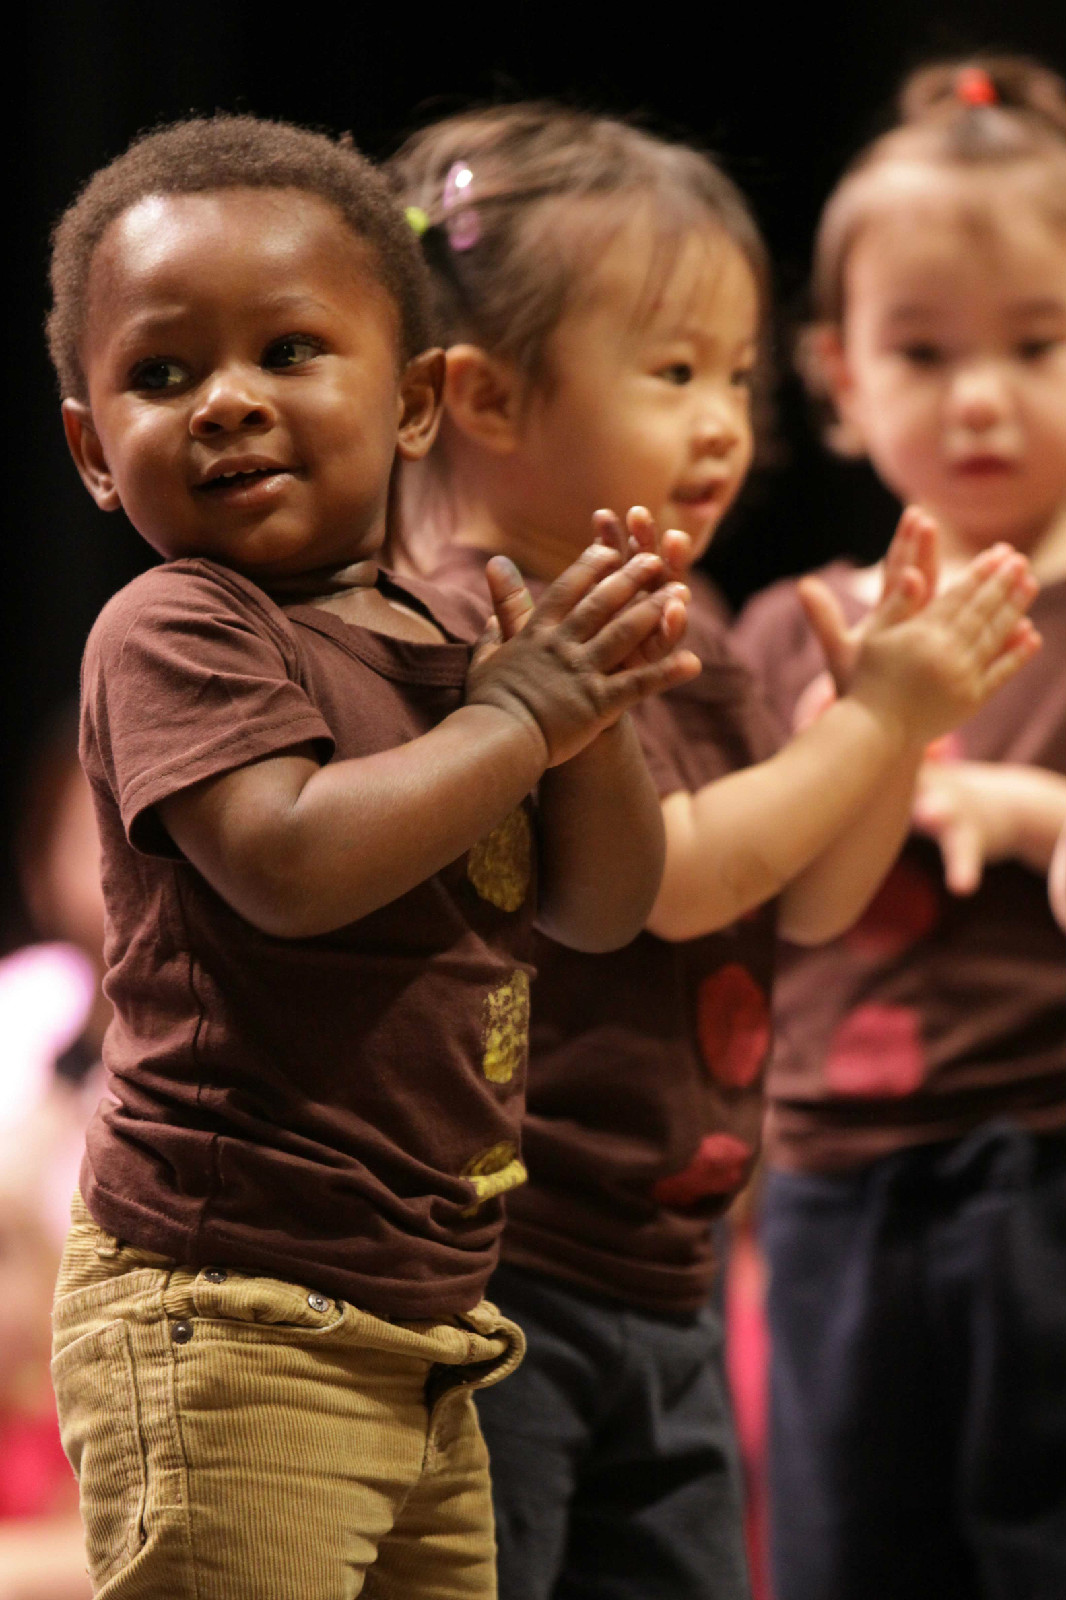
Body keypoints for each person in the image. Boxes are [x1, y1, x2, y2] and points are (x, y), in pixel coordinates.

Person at [44, 112, 703, 1600]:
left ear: (412, 406)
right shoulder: (179, 627)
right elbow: (288, 859)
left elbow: (603, 910)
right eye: (163, 375)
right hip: (224, 1307)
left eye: (287, 353)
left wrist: (585, 717)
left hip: (423, 1322)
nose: (226, 402)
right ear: (92, 449)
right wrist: (521, 721)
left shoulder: (456, 640)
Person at [387, 104, 1041, 1600]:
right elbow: (663, 878)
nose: (722, 421)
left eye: (738, 376)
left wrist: (879, 731)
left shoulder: (690, 624)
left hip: (657, 1262)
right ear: (483, 395)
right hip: (505, 1275)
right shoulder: (467, 632)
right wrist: (875, 718)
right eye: (674, 371)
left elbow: (803, 893)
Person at [732, 56, 1066, 1600]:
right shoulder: (793, 627)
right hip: (826, 1176)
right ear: (837, 377)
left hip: (1040, 1153)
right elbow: (728, 871)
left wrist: (1019, 804)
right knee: (845, 1548)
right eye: (921, 351)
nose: (980, 393)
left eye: (1038, 342)